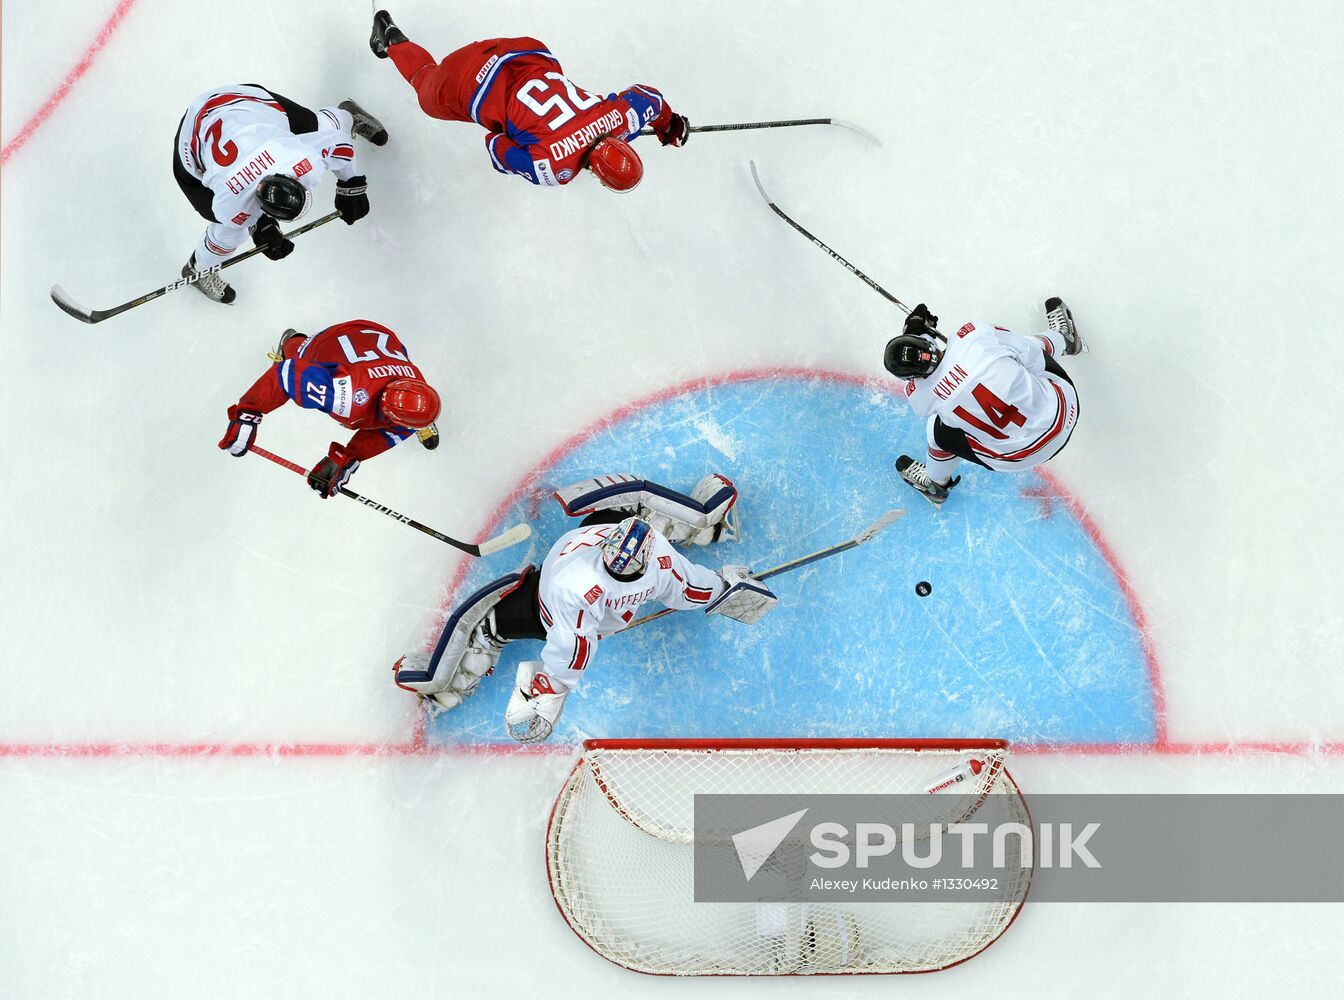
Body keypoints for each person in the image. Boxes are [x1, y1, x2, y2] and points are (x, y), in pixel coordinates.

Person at [393, 474, 777, 742]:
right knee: (641, 508)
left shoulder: (612, 575)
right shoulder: (653, 558)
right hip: (560, 600)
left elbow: (574, 647)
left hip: (545, 607)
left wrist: (550, 693)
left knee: (487, 628)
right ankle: (703, 522)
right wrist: (725, 587)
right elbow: (691, 588)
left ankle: (446, 689)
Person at [368, 10, 689, 191]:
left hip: (526, 51)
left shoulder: (620, 121)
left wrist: (669, 125)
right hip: (471, 78)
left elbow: (652, 100)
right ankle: (392, 39)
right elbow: (495, 146)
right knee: (426, 89)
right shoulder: (554, 168)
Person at [174, 84, 389, 303]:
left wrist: (351, 186)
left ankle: (347, 115)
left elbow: (338, 144)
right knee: (229, 232)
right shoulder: (229, 204)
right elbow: (338, 147)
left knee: (326, 128)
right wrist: (258, 225)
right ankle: (198, 269)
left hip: (240, 101)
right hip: (193, 136)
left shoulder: (299, 155)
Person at [885, 298, 1085, 506]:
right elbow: (1031, 354)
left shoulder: (920, 397)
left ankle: (936, 485)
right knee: (1021, 349)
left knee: (936, 430)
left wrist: (917, 335)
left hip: (1018, 458)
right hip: (1063, 413)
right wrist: (920, 333)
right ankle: (1065, 340)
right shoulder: (974, 335)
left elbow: (927, 373)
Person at [218, 320, 441, 498]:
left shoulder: (416, 381)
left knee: (409, 417)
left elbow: (393, 430)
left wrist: (349, 457)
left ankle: (416, 420)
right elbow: (286, 374)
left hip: (381, 339)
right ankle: (294, 342)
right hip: (329, 342)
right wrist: (248, 413)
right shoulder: (345, 394)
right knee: (300, 353)